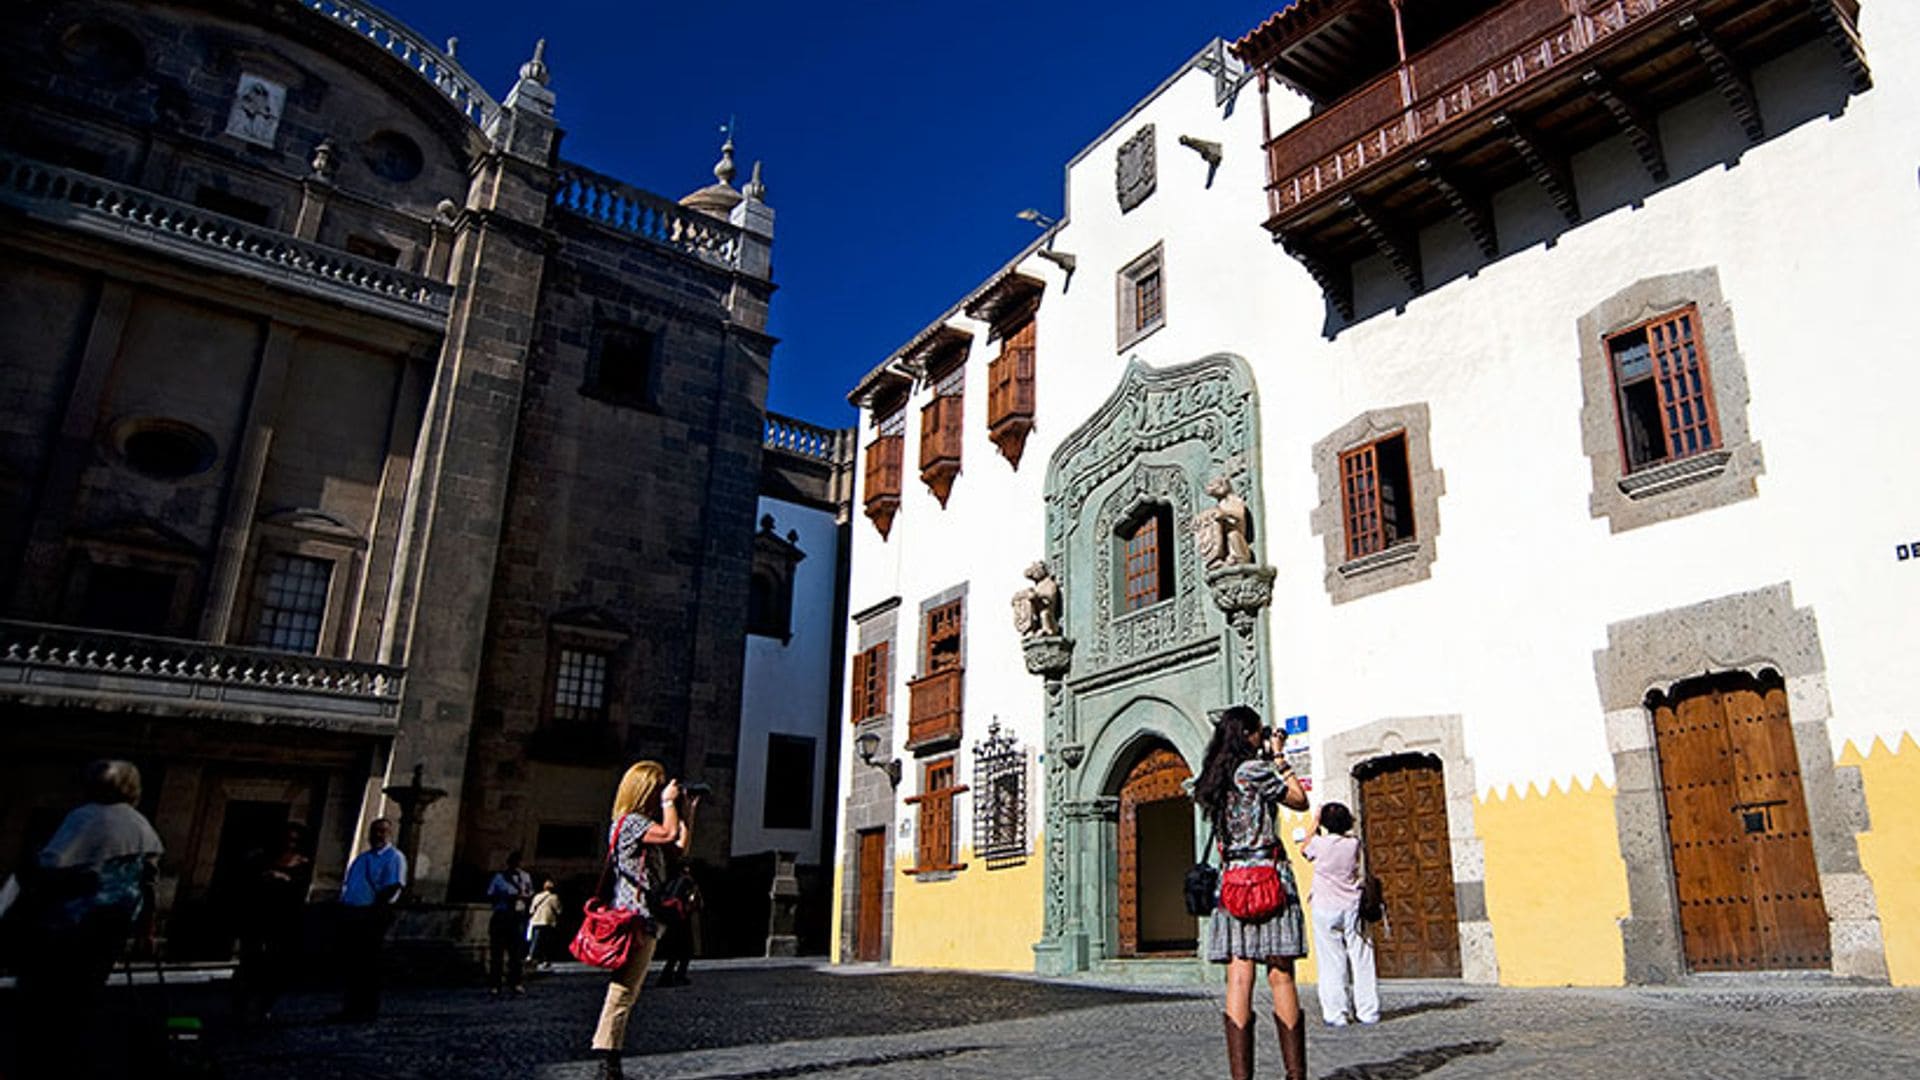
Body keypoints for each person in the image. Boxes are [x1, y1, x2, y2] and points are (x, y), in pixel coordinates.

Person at [10, 759, 164, 1079]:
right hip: (114, 924)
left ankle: (40, 1059)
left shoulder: (88, 817)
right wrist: (146, 929)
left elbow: (52, 864)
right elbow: (150, 881)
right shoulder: (141, 825)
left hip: (69, 924)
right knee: (84, 995)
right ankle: (70, 1055)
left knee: (47, 998)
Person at [1194, 706, 1311, 1080]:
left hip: (1232, 883)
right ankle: (1295, 1076)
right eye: (1259, 733)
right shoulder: (1254, 771)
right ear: (1247, 735)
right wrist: (1279, 756)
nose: (1262, 738)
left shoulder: (1212, 780)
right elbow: (1298, 799)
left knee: (1239, 976)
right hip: (1268, 877)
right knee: (1280, 974)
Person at [589, 761, 697, 1080]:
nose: (662, 792)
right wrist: (668, 804)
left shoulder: (640, 824)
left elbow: (678, 846)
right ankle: (607, 1061)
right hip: (635, 916)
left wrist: (687, 811)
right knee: (623, 990)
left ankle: (609, 1060)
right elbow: (666, 833)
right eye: (658, 787)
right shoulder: (630, 823)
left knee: (628, 989)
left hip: (646, 917)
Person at [1303, 802, 1379, 1027]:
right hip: (1352, 905)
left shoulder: (1319, 844)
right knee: (1362, 958)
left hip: (1325, 907)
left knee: (1331, 961)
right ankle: (1368, 1011)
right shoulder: (1353, 844)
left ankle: (1336, 1013)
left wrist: (1314, 823)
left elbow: (1304, 848)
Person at [235, 821, 314, 1023]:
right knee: (250, 960)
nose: (290, 844)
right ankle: (243, 1002)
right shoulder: (262, 859)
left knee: (275, 964)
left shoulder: (303, 864)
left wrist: (285, 880)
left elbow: (301, 891)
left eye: (294, 840)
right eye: (288, 839)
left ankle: (264, 1004)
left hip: (284, 919)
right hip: (259, 916)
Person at [336, 817, 406, 1021]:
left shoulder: (394, 857)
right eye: (375, 831)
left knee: (368, 963)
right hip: (352, 912)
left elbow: (393, 886)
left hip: (371, 914)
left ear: (389, 834)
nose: (377, 835)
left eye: (382, 831)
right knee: (352, 963)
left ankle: (366, 1008)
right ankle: (351, 1006)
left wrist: (375, 912)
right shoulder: (362, 858)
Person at [487, 850, 534, 996]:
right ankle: (495, 984)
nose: (517, 865)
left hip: (517, 916)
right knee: (497, 953)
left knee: (516, 953)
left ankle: (515, 982)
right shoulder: (499, 877)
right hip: (502, 915)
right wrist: (506, 895)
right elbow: (490, 893)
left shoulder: (525, 877)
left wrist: (523, 896)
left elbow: (530, 892)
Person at [653, 860, 702, 988]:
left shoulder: (670, 880)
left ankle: (667, 976)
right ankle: (678, 975)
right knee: (685, 950)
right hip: (683, 918)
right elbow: (693, 900)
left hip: (671, 917)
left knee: (674, 951)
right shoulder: (688, 881)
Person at [527, 879, 562, 970]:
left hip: (536, 921)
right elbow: (558, 910)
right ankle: (545, 960)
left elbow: (531, 910)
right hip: (547, 921)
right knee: (547, 942)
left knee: (535, 940)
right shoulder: (554, 897)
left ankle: (531, 956)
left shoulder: (537, 896)